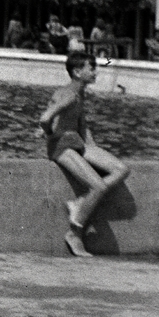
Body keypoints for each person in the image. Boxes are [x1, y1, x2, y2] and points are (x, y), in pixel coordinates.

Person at [40, 50, 129, 257]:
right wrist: (50, 135)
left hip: (78, 144)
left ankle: (80, 203)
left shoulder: (79, 93)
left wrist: (93, 148)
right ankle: (74, 233)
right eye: (92, 68)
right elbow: (45, 118)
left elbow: (79, 123)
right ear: (78, 72)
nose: (96, 72)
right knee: (98, 186)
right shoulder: (69, 94)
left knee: (121, 169)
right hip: (62, 147)